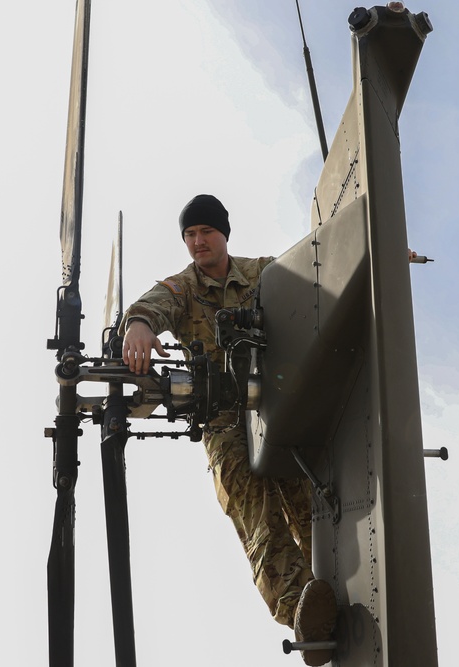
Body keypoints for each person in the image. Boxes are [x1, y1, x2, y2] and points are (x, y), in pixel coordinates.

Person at [121, 194, 337, 665]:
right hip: (223, 419)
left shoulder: (262, 273)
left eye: (206, 232)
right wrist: (137, 326)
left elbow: (321, 268)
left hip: (277, 407)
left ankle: (337, 587)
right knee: (253, 506)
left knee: (309, 501)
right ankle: (302, 608)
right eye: (190, 235)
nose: (198, 242)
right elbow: (150, 306)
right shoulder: (183, 288)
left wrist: (376, 257)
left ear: (224, 234)